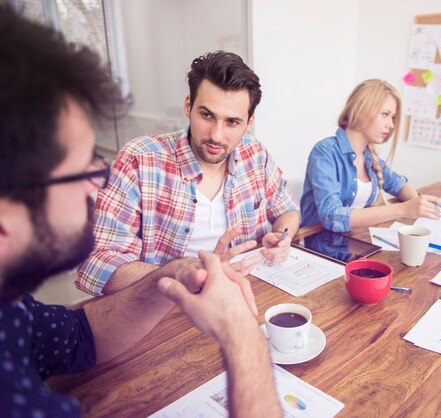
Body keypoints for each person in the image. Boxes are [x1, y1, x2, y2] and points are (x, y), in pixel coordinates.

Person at [0, 7, 281, 417]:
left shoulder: (14, 314)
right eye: (78, 172)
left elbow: (79, 334)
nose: (98, 184)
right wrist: (243, 336)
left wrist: (180, 273)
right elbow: (98, 263)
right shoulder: (141, 159)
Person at [76, 50, 300, 295]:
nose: (216, 135)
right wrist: (190, 273)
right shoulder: (140, 159)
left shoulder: (256, 154)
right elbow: (98, 265)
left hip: (245, 295)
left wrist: (281, 236)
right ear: (188, 106)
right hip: (167, 306)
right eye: (207, 115)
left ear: (249, 122)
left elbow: (287, 210)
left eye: (232, 122)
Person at [300, 79, 441, 232]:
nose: (391, 125)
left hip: (354, 240)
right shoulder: (325, 152)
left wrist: (418, 203)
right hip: (319, 246)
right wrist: (403, 209)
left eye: (392, 117)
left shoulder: (369, 156)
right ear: (361, 111)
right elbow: (332, 216)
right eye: (385, 115)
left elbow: (398, 184)